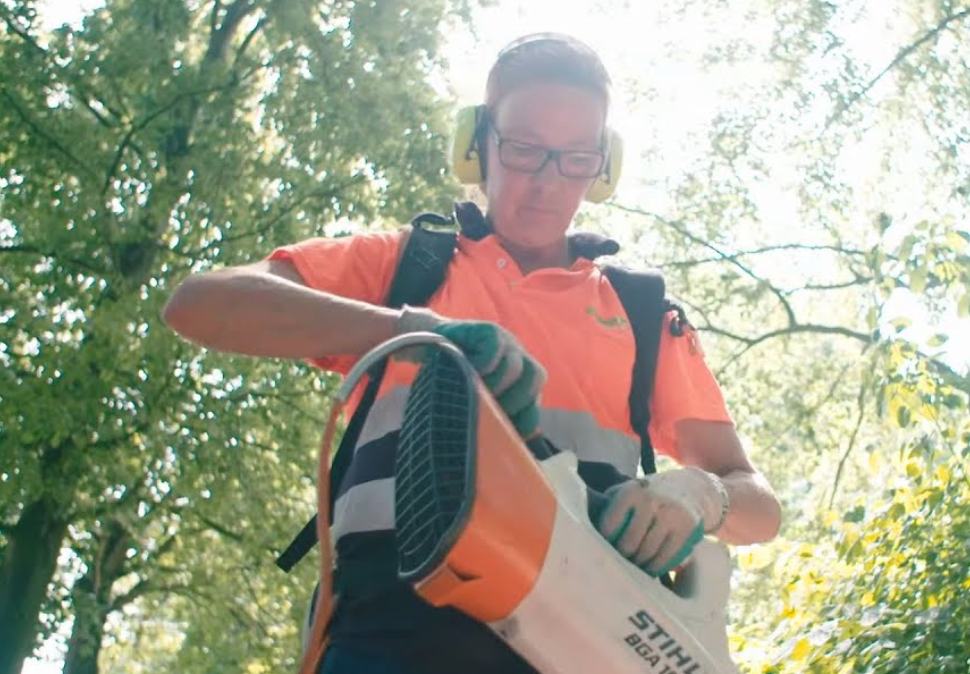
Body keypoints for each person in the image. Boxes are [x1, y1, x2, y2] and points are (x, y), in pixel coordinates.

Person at [163, 33, 782, 674]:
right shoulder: (405, 266)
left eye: (574, 159)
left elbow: (757, 502)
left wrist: (701, 494)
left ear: (604, 166)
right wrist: (412, 332)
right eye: (523, 150)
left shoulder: (643, 313)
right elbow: (201, 304)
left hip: (584, 643)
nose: (547, 182)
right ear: (476, 143)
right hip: (387, 635)